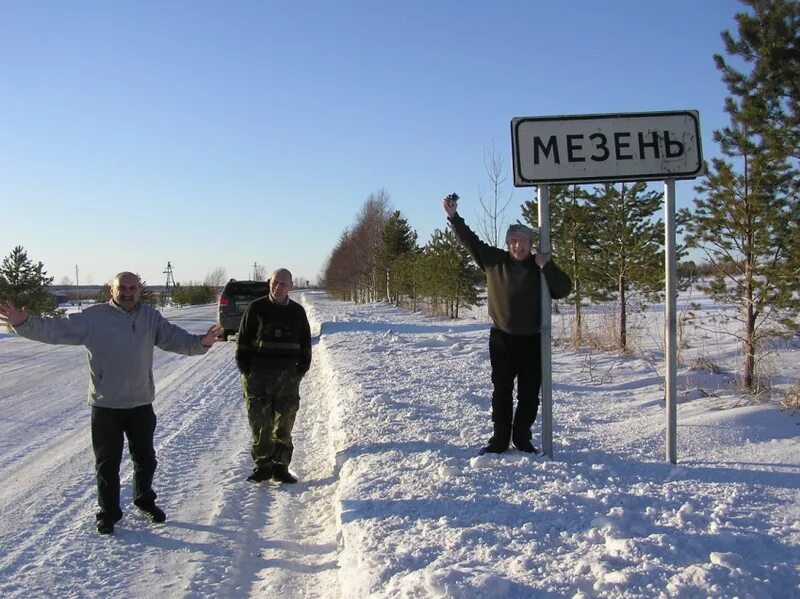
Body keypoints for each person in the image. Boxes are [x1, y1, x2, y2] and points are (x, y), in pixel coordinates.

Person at [0, 272, 222, 535]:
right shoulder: (94, 317)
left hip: (140, 403)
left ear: (139, 291)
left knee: (146, 460)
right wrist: (24, 323)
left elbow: (175, 338)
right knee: (107, 464)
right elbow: (56, 329)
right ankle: (108, 513)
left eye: (132, 288)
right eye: (122, 288)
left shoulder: (150, 316)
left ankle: (145, 500)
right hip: (106, 406)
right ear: (111, 290)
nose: (127, 292)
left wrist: (201, 343)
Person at [443, 193, 572, 455]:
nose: (518, 246)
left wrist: (547, 266)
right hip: (501, 338)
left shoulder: (539, 265)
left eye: (523, 241)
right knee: (501, 389)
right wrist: (453, 217)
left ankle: (522, 437)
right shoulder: (494, 261)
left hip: (532, 339)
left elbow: (562, 290)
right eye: (513, 241)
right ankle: (499, 438)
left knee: (528, 393)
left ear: (530, 243)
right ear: (507, 243)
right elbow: (471, 241)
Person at [236, 268, 311, 484]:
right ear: (270, 282)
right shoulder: (256, 308)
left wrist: (301, 369)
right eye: (275, 282)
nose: (278, 287)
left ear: (291, 286)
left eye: (283, 284)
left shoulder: (297, 312)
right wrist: (246, 370)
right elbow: (242, 342)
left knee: (284, 425)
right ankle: (263, 466)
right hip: (258, 376)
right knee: (261, 425)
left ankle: (281, 467)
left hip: (287, 378)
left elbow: (305, 344)